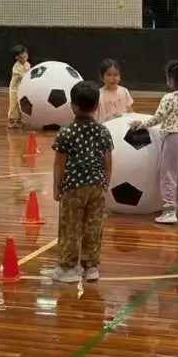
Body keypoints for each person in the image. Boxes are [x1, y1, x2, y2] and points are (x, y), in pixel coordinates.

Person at [48, 81, 113, 283]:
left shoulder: (66, 133)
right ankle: (91, 267)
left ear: (73, 106)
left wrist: (56, 187)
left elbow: (59, 163)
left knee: (70, 227)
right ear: (96, 107)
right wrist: (105, 184)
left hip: (73, 189)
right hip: (96, 187)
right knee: (93, 227)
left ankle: (68, 269)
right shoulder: (103, 131)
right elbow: (108, 162)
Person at [132, 60, 178, 224]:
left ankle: (169, 210)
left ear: (172, 79)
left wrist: (141, 124)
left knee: (168, 173)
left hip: (173, 138)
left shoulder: (169, 98)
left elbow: (158, 118)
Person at [7, 45, 30, 128]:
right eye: (21, 58)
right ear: (17, 58)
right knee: (14, 105)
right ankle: (11, 120)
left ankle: (20, 120)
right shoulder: (16, 67)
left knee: (22, 104)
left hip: (22, 89)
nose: (24, 59)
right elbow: (23, 76)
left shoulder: (27, 64)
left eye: (25, 56)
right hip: (14, 89)